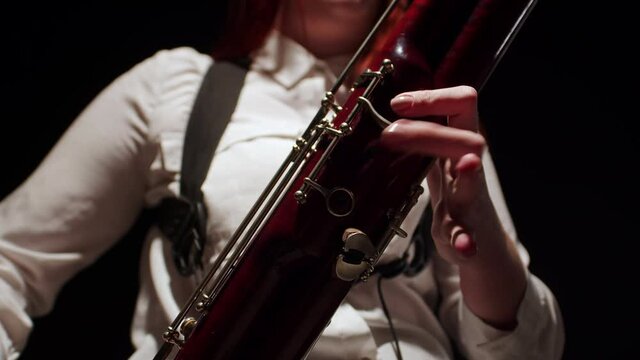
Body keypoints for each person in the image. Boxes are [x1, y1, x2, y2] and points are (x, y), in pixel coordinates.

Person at [0, 0, 565, 359]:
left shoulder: (433, 107)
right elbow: (11, 260)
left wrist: (480, 246)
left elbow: (527, 353)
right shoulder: (176, 89)